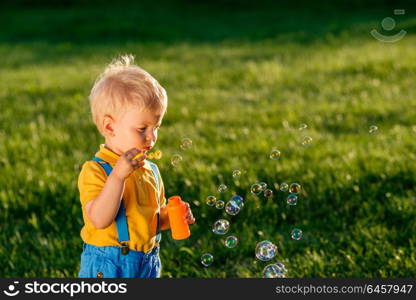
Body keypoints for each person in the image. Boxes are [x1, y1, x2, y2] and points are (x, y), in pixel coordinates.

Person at [77, 54, 195, 278]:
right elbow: (100, 219)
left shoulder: (150, 170)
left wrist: (171, 217)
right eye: (142, 129)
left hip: (147, 261)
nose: (151, 137)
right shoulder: (96, 170)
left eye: (156, 127)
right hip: (110, 263)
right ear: (110, 127)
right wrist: (118, 177)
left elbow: (149, 222)